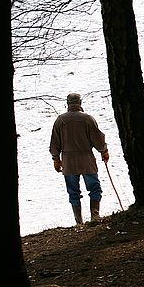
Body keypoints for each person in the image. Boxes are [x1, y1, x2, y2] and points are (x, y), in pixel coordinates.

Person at [49, 92, 110, 225]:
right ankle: (95, 216)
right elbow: (98, 139)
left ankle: (79, 221)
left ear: (68, 104)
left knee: (73, 192)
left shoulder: (61, 120)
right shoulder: (88, 119)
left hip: (68, 161)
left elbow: (54, 142)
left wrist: (56, 159)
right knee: (94, 188)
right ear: (80, 103)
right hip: (86, 159)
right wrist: (104, 151)